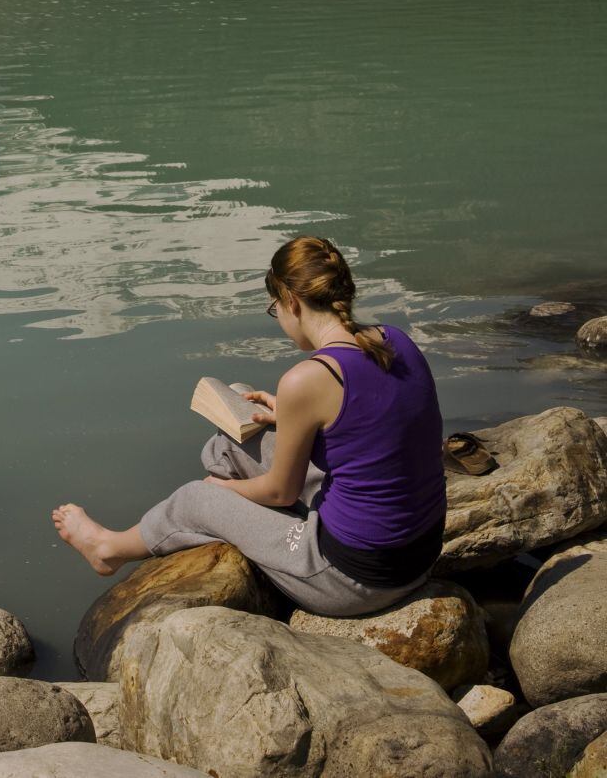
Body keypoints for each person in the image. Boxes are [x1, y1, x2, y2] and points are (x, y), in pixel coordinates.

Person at [52, 234, 446, 617]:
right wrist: (291, 416)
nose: (280, 319)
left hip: (355, 577)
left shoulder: (307, 379)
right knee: (235, 439)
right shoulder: (394, 340)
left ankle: (108, 549)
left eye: (275, 307)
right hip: (420, 552)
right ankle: (227, 524)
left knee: (195, 497)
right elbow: (379, 424)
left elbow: (280, 491)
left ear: (291, 301)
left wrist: (222, 490)